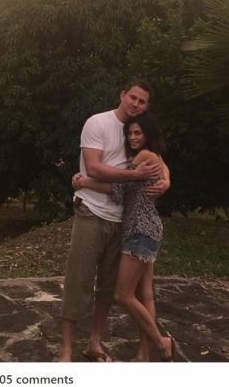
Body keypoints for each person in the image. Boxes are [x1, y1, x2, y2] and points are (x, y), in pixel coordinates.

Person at [58, 79, 170, 362]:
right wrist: (86, 181)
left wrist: (166, 180)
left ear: (146, 106)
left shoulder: (138, 134)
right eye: (133, 97)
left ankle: (94, 342)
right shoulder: (98, 123)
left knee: (109, 288)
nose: (136, 104)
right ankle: (67, 347)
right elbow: (95, 165)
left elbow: (156, 159)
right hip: (91, 212)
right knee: (78, 280)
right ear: (122, 95)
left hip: (123, 221)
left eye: (142, 101)